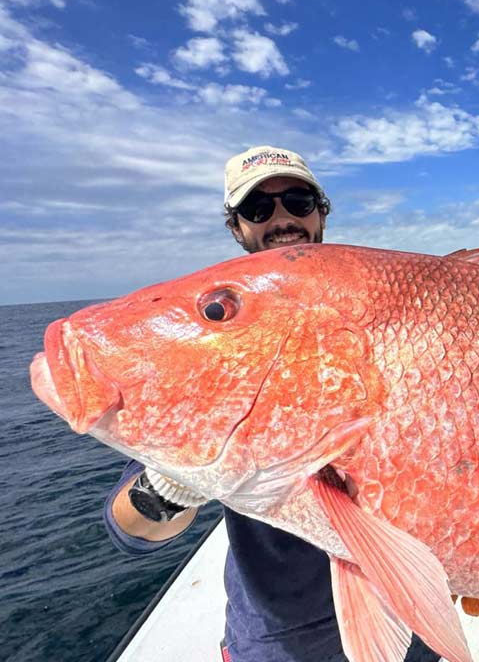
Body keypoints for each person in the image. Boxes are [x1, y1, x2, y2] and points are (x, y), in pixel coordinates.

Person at [104, 146, 440, 662]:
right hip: (282, 644)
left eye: (298, 201)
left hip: (407, 612)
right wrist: (171, 485)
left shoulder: (386, 305)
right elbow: (131, 531)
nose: (282, 218)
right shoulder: (218, 339)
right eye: (258, 210)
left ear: (321, 211)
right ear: (237, 228)